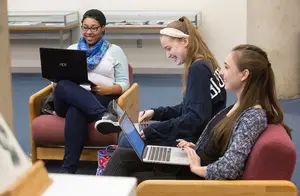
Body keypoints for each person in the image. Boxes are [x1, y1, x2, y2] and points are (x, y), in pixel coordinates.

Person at [102, 44, 291, 183]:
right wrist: (195, 147)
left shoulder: (252, 116)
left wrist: (198, 168)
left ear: (244, 74)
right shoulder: (242, 106)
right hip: (194, 160)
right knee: (122, 156)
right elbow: (223, 143)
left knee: (125, 169)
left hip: (195, 178)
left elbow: (231, 166)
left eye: (226, 67)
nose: (222, 73)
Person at [113, 16, 227, 148]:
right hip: (201, 136)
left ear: (185, 41)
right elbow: (190, 109)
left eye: (169, 48)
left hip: (196, 141)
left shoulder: (198, 69)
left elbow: (195, 120)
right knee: (129, 136)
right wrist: (156, 113)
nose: (167, 55)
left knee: (126, 140)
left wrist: (154, 130)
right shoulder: (207, 62)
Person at [52, 9, 129, 173]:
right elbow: (60, 79)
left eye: (94, 28)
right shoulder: (72, 49)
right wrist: (54, 78)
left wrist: (107, 89)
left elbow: (124, 84)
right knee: (62, 85)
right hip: (68, 98)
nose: (89, 32)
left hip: (99, 96)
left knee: (76, 111)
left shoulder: (115, 51)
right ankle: (103, 115)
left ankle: (68, 170)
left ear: (102, 28)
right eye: (85, 27)